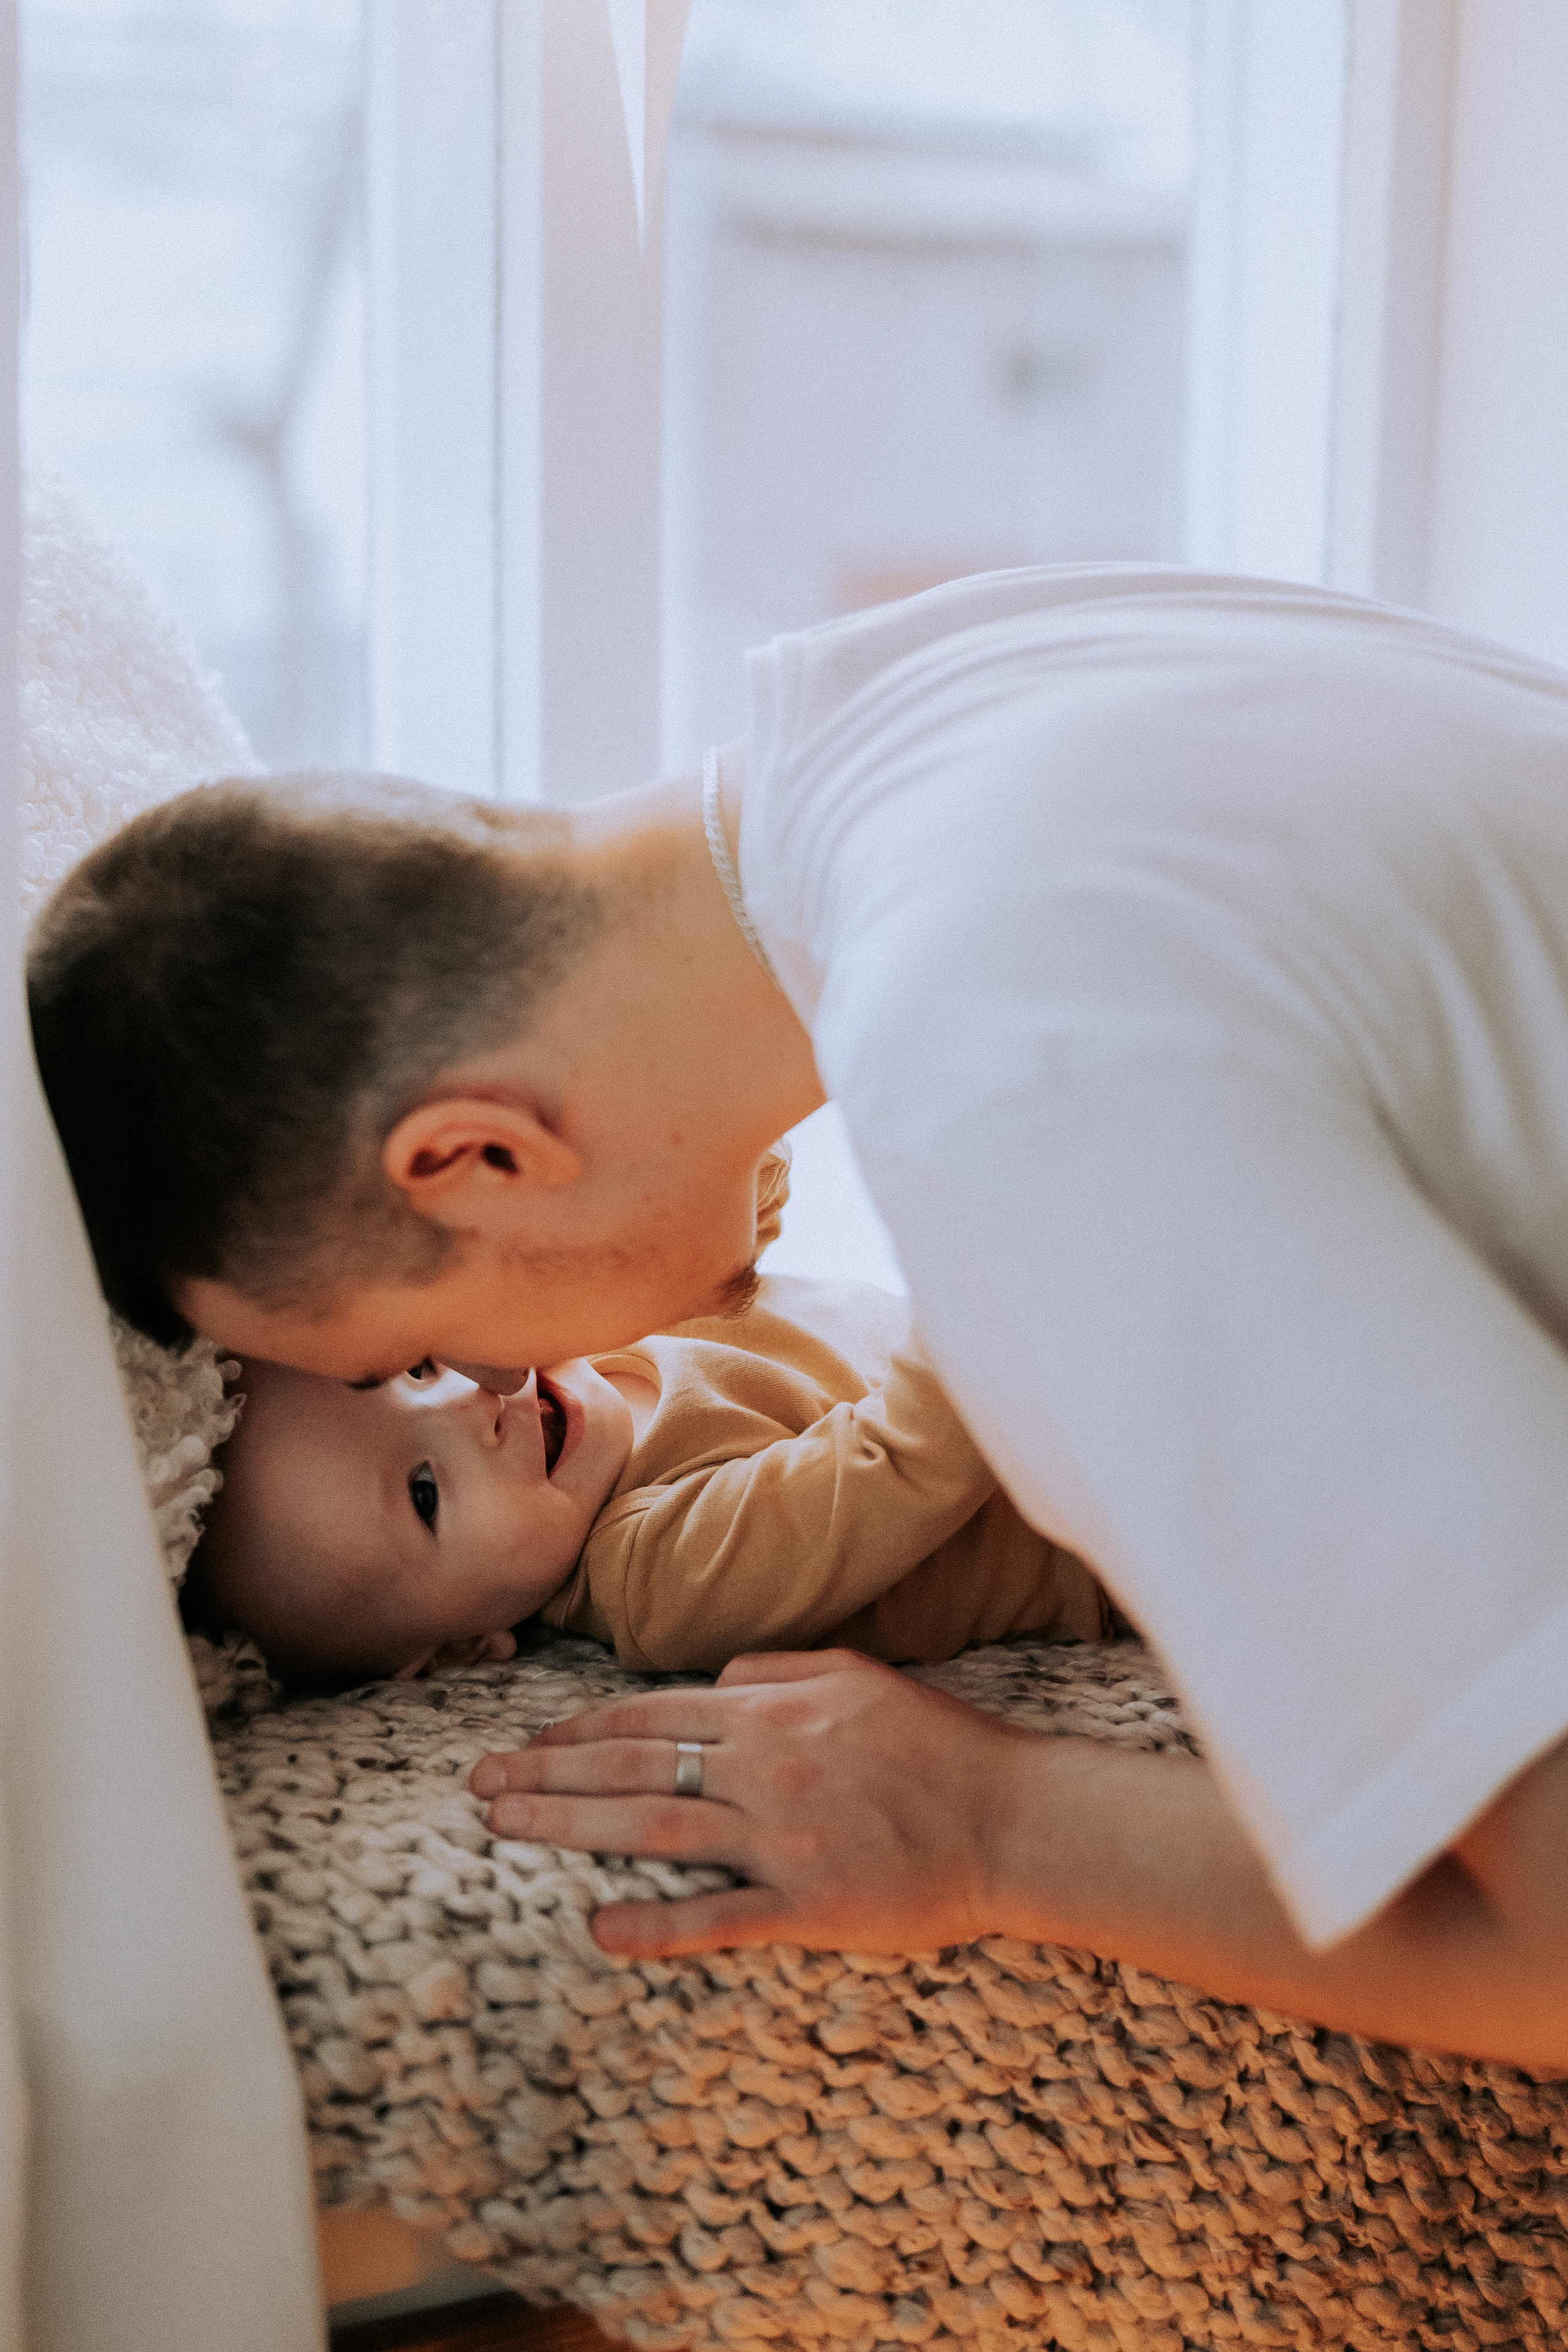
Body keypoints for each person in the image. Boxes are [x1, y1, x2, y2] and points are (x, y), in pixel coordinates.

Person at [28, 564, 1568, 2068]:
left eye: (404, 1354)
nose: (475, 1386)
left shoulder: (1016, 1076)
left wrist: (995, 1824)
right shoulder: (927, 679)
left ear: (474, 1158)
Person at [186, 1214, 1110, 1686]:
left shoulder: (591, 1338)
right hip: (1119, 1526)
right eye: (426, 1494)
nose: (472, 1404)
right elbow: (907, 1461)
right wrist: (1000, 1241)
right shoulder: (659, 1575)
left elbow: (737, 1206)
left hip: (1083, 1372)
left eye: (415, 1367)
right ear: (467, 1647)